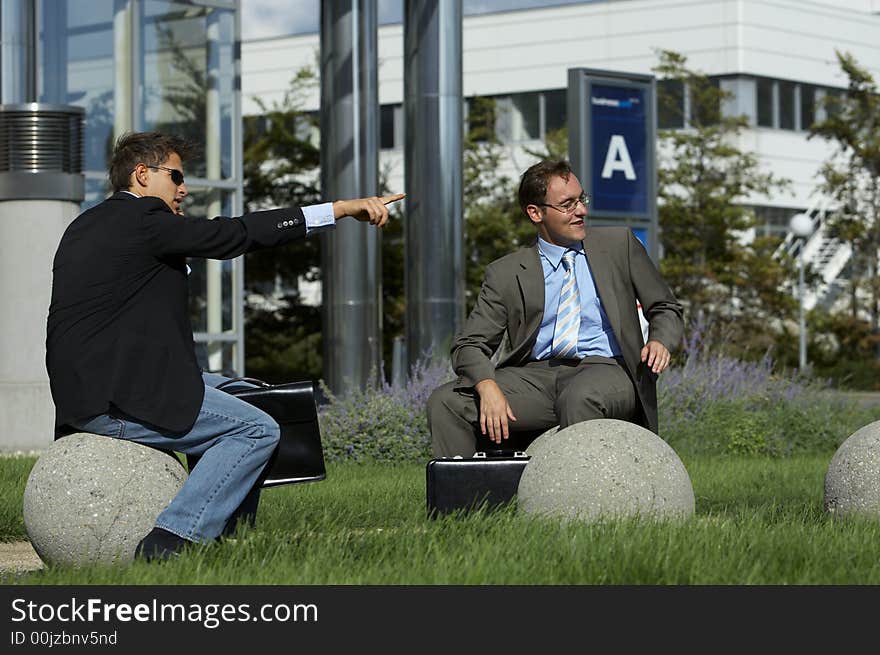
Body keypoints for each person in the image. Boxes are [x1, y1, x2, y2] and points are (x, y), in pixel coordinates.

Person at [46, 131, 404, 560]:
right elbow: (236, 235)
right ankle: (173, 542)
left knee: (248, 395)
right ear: (142, 175)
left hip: (92, 393)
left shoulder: (86, 225)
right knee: (256, 429)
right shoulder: (144, 221)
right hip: (118, 401)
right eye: (175, 176)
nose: (184, 188)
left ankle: (231, 537)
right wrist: (339, 210)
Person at [427, 159, 683, 457]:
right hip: (534, 378)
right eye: (568, 204)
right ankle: (464, 502)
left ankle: (579, 501)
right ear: (536, 213)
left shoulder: (619, 245)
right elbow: (470, 343)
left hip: (607, 369)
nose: (582, 211)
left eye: (581, 199)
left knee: (579, 397)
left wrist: (659, 340)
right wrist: (486, 385)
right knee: (446, 401)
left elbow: (665, 306)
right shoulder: (506, 272)